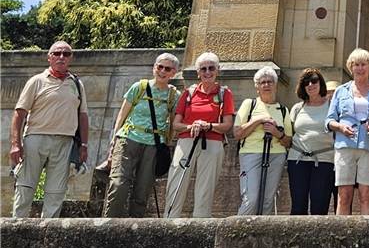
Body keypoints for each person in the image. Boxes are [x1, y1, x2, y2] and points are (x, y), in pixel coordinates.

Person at [10, 41, 88, 218]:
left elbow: (83, 116)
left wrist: (84, 144)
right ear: (49, 57)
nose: (61, 57)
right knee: (25, 186)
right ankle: (16, 230)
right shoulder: (36, 81)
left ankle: (48, 234)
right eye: (57, 53)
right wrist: (16, 144)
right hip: (35, 138)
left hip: (65, 141)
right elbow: (19, 113)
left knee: (56, 191)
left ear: (71, 58)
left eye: (66, 54)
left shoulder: (77, 83)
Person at [103, 54, 181, 217]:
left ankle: (134, 229)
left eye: (167, 68)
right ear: (154, 68)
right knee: (118, 184)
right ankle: (108, 226)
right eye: (159, 67)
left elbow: (173, 123)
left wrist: (166, 143)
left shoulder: (174, 95)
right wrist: (114, 140)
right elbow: (122, 115)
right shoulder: (139, 87)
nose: (162, 71)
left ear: (173, 72)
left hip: (153, 144)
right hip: (128, 138)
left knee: (142, 190)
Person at [164, 52, 234, 218]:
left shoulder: (225, 94)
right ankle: (169, 222)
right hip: (187, 140)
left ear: (217, 71)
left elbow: (227, 125)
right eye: (203, 69)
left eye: (211, 68)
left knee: (205, 188)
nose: (207, 72)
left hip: (213, 142)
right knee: (176, 182)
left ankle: (200, 224)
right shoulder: (188, 93)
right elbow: (176, 124)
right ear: (198, 72)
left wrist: (208, 125)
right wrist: (192, 126)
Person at [326, 49, 369, 215]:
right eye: (356, 65)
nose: (360, 68)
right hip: (345, 145)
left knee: (366, 196)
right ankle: (341, 237)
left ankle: (365, 237)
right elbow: (329, 120)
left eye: (364, 64)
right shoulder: (341, 91)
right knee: (344, 196)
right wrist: (340, 127)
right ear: (351, 67)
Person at [233, 65, 292, 215]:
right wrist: (258, 119)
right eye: (262, 82)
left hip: (276, 155)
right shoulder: (249, 104)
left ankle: (261, 238)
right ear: (257, 87)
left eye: (270, 82)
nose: (266, 85)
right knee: (251, 199)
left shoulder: (283, 110)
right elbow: (237, 133)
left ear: (275, 85)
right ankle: (237, 235)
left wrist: (276, 133)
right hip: (251, 153)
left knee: (267, 201)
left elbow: (288, 142)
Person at [287, 68, 335, 216]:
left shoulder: (332, 106)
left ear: (321, 83)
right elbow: (290, 135)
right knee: (298, 206)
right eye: (306, 82)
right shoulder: (297, 108)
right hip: (297, 160)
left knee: (320, 207)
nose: (310, 84)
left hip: (324, 161)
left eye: (314, 81)